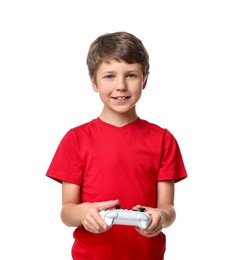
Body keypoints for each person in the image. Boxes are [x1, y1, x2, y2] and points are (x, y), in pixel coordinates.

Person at [46, 31, 187, 260]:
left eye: (131, 75)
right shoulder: (75, 139)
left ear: (145, 80)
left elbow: (168, 209)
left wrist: (161, 215)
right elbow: (67, 211)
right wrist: (83, 212)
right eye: (109, 76)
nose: (121, 86)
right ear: (93, 81)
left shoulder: (163, 139)